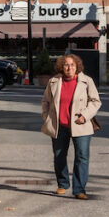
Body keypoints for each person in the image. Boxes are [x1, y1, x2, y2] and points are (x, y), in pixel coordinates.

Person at [41, 54, 101, 200]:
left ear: (77, 66)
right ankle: (62, 183)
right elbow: (45, 102)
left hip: (80, 125)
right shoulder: (54, 81)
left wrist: (85, 116)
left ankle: (79, 189)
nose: (69, 68)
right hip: (59, 125)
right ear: (62, 67)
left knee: (82, 157)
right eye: (66, 65)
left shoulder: (87, 81)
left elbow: (95, 101)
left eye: (72, 65)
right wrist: (47, 117)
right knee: (59, 156)